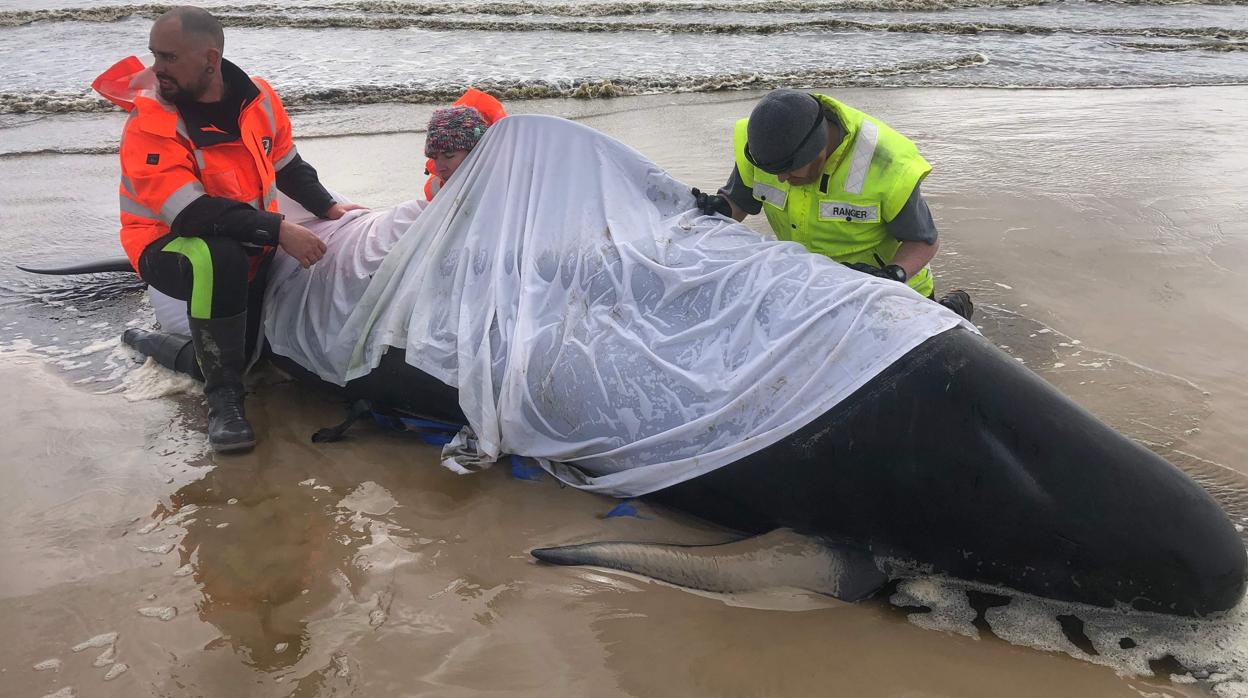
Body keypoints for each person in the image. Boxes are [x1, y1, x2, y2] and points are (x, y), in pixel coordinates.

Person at [93, 6, 363, 453]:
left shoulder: (258, 99)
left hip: (245, 237)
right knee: (218, 257)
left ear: (210, 59)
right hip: (168, 244)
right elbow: (189, 214)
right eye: (153, 55)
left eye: (169, 58)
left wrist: (329, 207)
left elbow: (287, 164)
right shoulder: (152, 123)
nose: (155, 69)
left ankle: (183, 352)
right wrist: (278, 230)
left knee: (250, 354)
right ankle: (224, 401)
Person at [692, 89, 972, 320]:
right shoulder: (766, 147)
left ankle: (954, 306)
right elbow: (739, 202)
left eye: (791, 169)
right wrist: (719, 207)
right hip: (814, 289)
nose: (780, 178)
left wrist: (891, 275)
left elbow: (924, 242)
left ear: (821, 150)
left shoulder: (887, 165)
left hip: (892, 291)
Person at [422, 89, 506, 200]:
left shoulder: (507, 184)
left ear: (476, 153)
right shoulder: (436, 189)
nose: (440, 167)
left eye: (449, 155)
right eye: (434, 158)